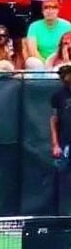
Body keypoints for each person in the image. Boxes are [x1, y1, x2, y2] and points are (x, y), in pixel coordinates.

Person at [52, 64, 71, 207]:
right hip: (66, 142)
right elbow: (54, 120)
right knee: (64, 174)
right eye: (62, 75)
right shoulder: (58, 96)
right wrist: (55, 144)